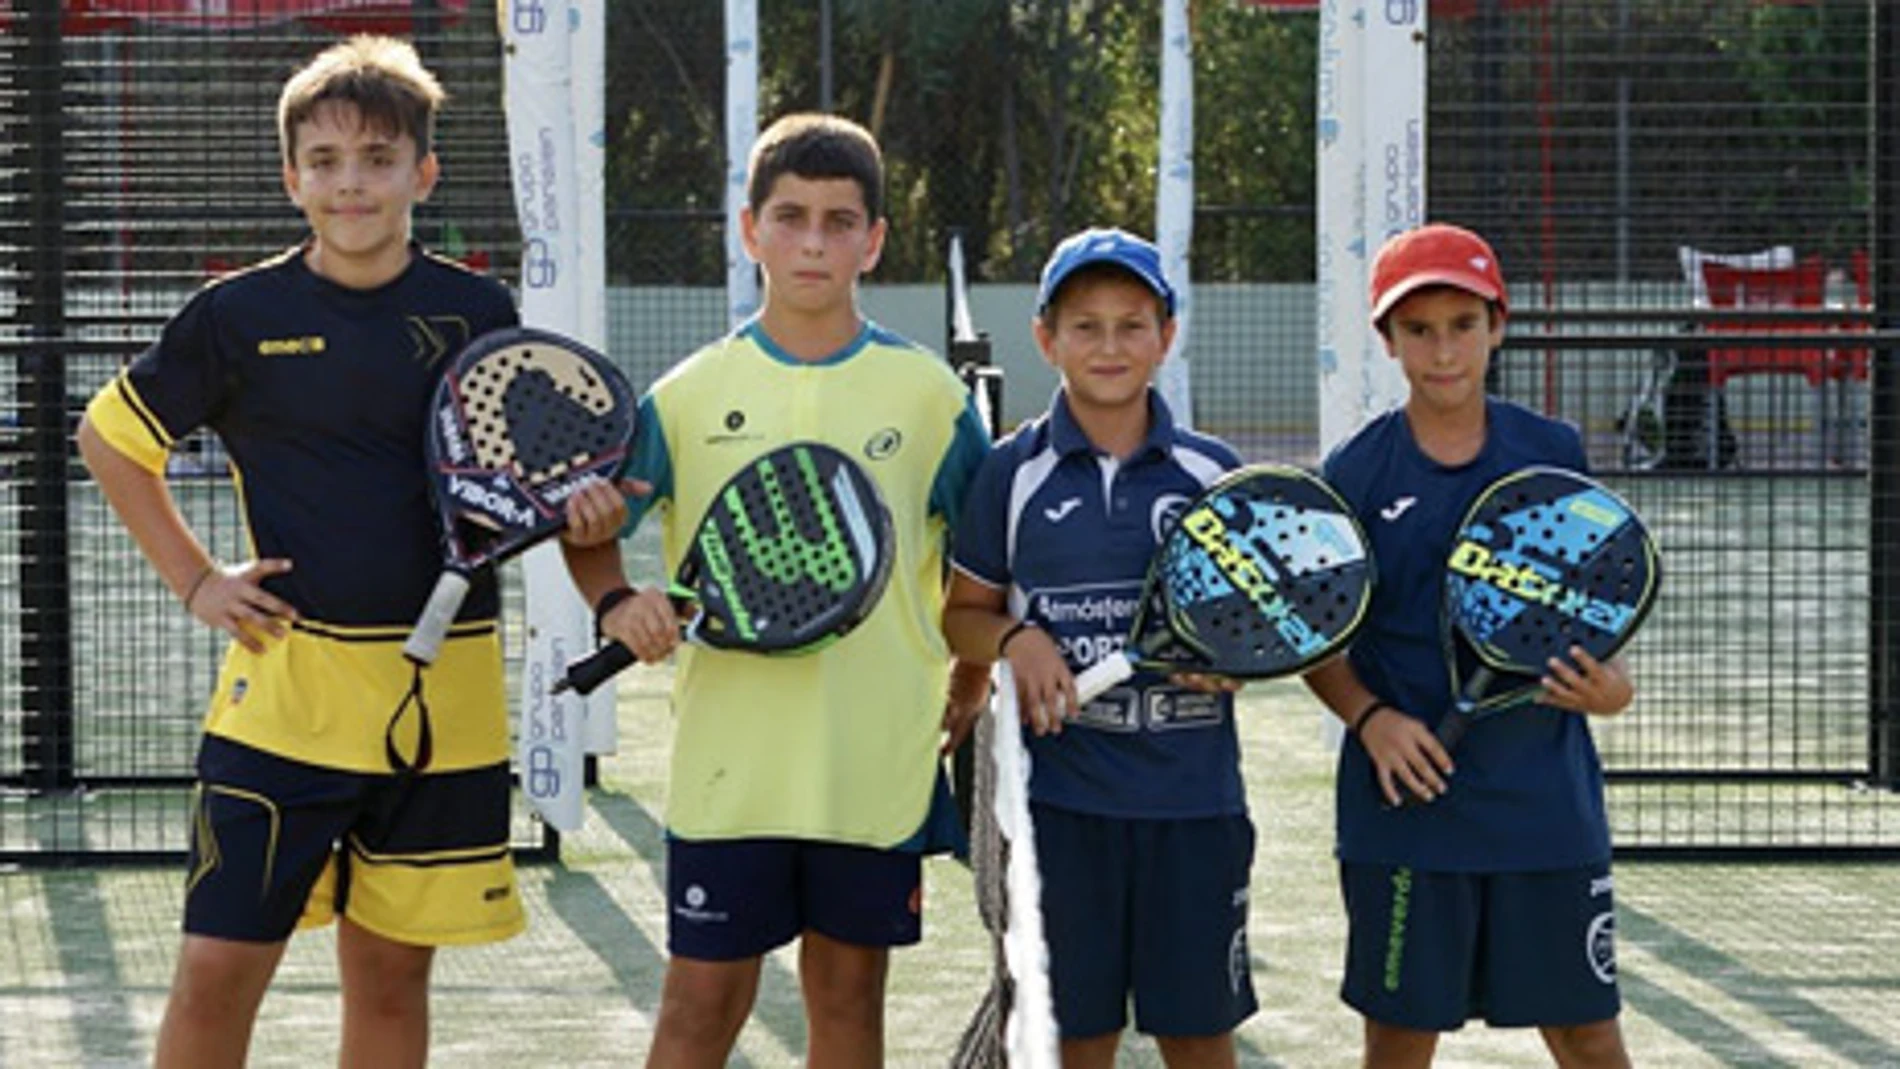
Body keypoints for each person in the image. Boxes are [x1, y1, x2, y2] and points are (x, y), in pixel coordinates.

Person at [76, 36, 528, 1069]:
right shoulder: (238, 315)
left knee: (389, 984)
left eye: (376, 157)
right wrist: (196, 578)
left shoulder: (479, 313)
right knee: (215, 975)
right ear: (291, 179)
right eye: (323, 161)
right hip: (287, 704)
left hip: (441, 711)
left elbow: (515, 471)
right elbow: (110, 438)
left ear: (423, 171)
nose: (350, 182)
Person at [557, 111, 992, 1066]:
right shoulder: (683, 397)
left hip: (871, 765)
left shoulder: (931, 399)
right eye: (789, 216)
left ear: (873, 240)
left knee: (846, 1005)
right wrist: (612, 599)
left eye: (840, 221)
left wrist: (970, 678)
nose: (812, 241)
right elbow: (594, 531)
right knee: (698, 1005)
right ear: (748, 229)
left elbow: (986, 562)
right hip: (731, 770)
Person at [1302, 222, 1636, 1068]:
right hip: (1406, 812)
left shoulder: (1553, 454)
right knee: (1402, 1041)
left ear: (1498, 324)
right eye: (1419, 330)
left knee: (1588, 1035)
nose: (1443, 350)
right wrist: (1370, 717)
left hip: (1544, 806)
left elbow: (1589, 614)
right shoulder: (1356, 471)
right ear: (1387, 339)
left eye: (1462, 324)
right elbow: (1314, 635)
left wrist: (1612, 690)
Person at [941, 227, 1255, 1068]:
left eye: (1131, 324)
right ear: (1046, 338)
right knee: (1075, 1039)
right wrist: (1015, 636)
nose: (1109, 345)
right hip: (1059, 815)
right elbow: (962, 613)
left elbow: (1255, 632)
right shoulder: (1011, 474)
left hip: (1194, 807)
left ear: (1167, 335)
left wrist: (1232, 660)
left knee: (1198, 1036)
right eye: (1086, 325)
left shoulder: (1212, 475)